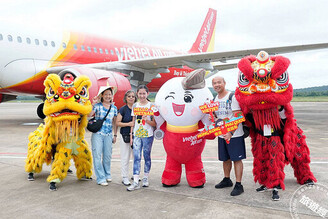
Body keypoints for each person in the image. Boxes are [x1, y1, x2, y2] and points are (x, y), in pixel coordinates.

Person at [212, 76, 246, 196]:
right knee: (225, 159)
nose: (217, 85)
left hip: (235, 135)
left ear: (224, 83)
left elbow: (238, 116)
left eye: (219, 82)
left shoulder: (232, 97)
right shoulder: (214, 98)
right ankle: (227, 179)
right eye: (214, 83)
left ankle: (238, 184)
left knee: (237, 159)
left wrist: (230, 133)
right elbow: (216, 117)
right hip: (222, 135)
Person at [127, 85, 156, 191]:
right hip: (137, 135)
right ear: (137, 94)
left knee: (147, 156)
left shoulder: (151, 106)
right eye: (140, 94)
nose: (142, 96)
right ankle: (135, 181)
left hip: (148, 135)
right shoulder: (135, 106)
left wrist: (147, 120)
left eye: (144, 93)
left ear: (147, 94)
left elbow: (154, 124)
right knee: (136, 157)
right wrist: (131, 135)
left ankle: (145, 178)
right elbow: (133, 122)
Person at [89, 86, 118, 186]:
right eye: (105, 94)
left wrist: (115, 135)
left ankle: (107, 174)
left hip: (109, 134)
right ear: (102, 95)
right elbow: (89, 114)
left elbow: (115, 122)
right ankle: (101, 178)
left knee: (107, 156)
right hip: (98, 134)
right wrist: (92, 104)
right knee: (97, 156)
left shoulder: (114, 108)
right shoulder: (97, 106)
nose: (108, 96)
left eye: (109, 94)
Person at [116, 90, 137, 186]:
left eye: (133, 96)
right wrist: (128, 124)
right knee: (125, 157)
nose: (131, 98)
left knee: (136, 156)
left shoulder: (138, 108)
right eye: (129, 96)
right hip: (125, 135)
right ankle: (124, 176)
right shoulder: (123, 109)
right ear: (126, 98)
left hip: (136, 136)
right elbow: (117, 122)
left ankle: (135, 174)